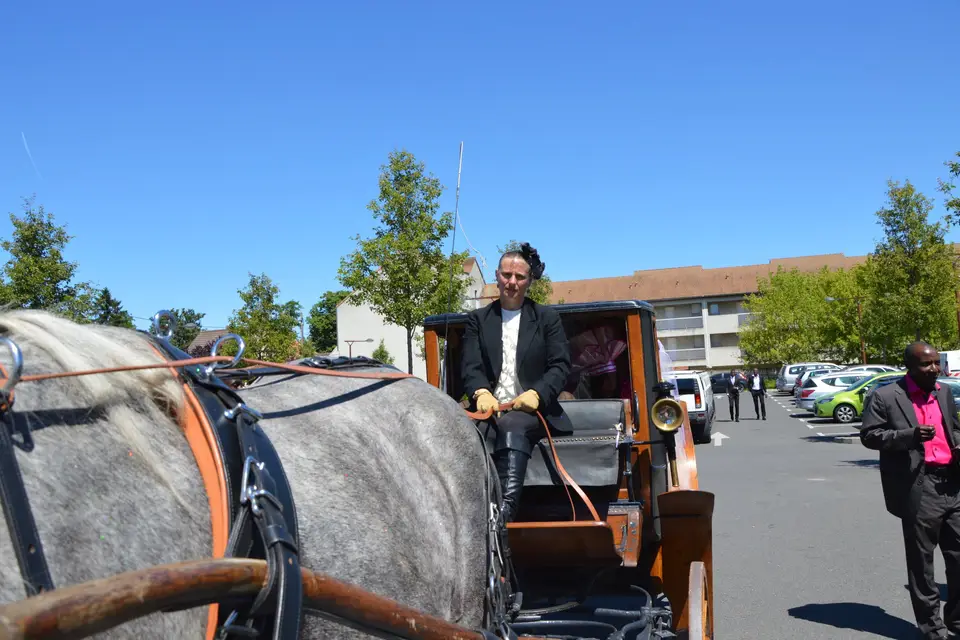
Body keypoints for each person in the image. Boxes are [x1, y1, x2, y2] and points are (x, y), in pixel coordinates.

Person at [461, 243, 572, 523]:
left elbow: (560, 365)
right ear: (497, 276)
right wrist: (480, 392)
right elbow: (470, 366)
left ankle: (503, 516)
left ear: (529, 280)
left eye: (520, 277)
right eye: (506, 275)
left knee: (511, 424)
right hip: (488, 409)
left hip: (531, 411)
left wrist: (538, 393)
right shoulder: (477, 320)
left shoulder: (548, 318)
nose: (512, 282)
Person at [861, 341, 960, 640]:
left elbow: (953, 428)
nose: (934, 369)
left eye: (935, 363)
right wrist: (910, 436)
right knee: (922, 564)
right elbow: (870, 435)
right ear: (909, 367)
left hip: (952, 483)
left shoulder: (943, 392)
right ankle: (932, 629)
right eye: (926, 364)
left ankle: (956, 623)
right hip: (919, 486)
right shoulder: (885, 396)